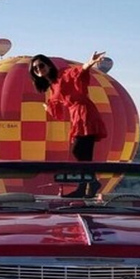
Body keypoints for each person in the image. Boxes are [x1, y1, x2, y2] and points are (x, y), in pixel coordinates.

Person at [30, 52, 108, 197]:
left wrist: (89, 63)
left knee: (78, 151)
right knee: (84, 154)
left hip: (84, 112)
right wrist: (48, 108)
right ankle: (89, 185)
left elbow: (78, 72)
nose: (39, 69)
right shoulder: (52, 86)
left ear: (48, 65)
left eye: (41, 65)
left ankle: (88, 185)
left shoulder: (63, 74)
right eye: (35, 68)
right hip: (76, 115)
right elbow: (57, 106)